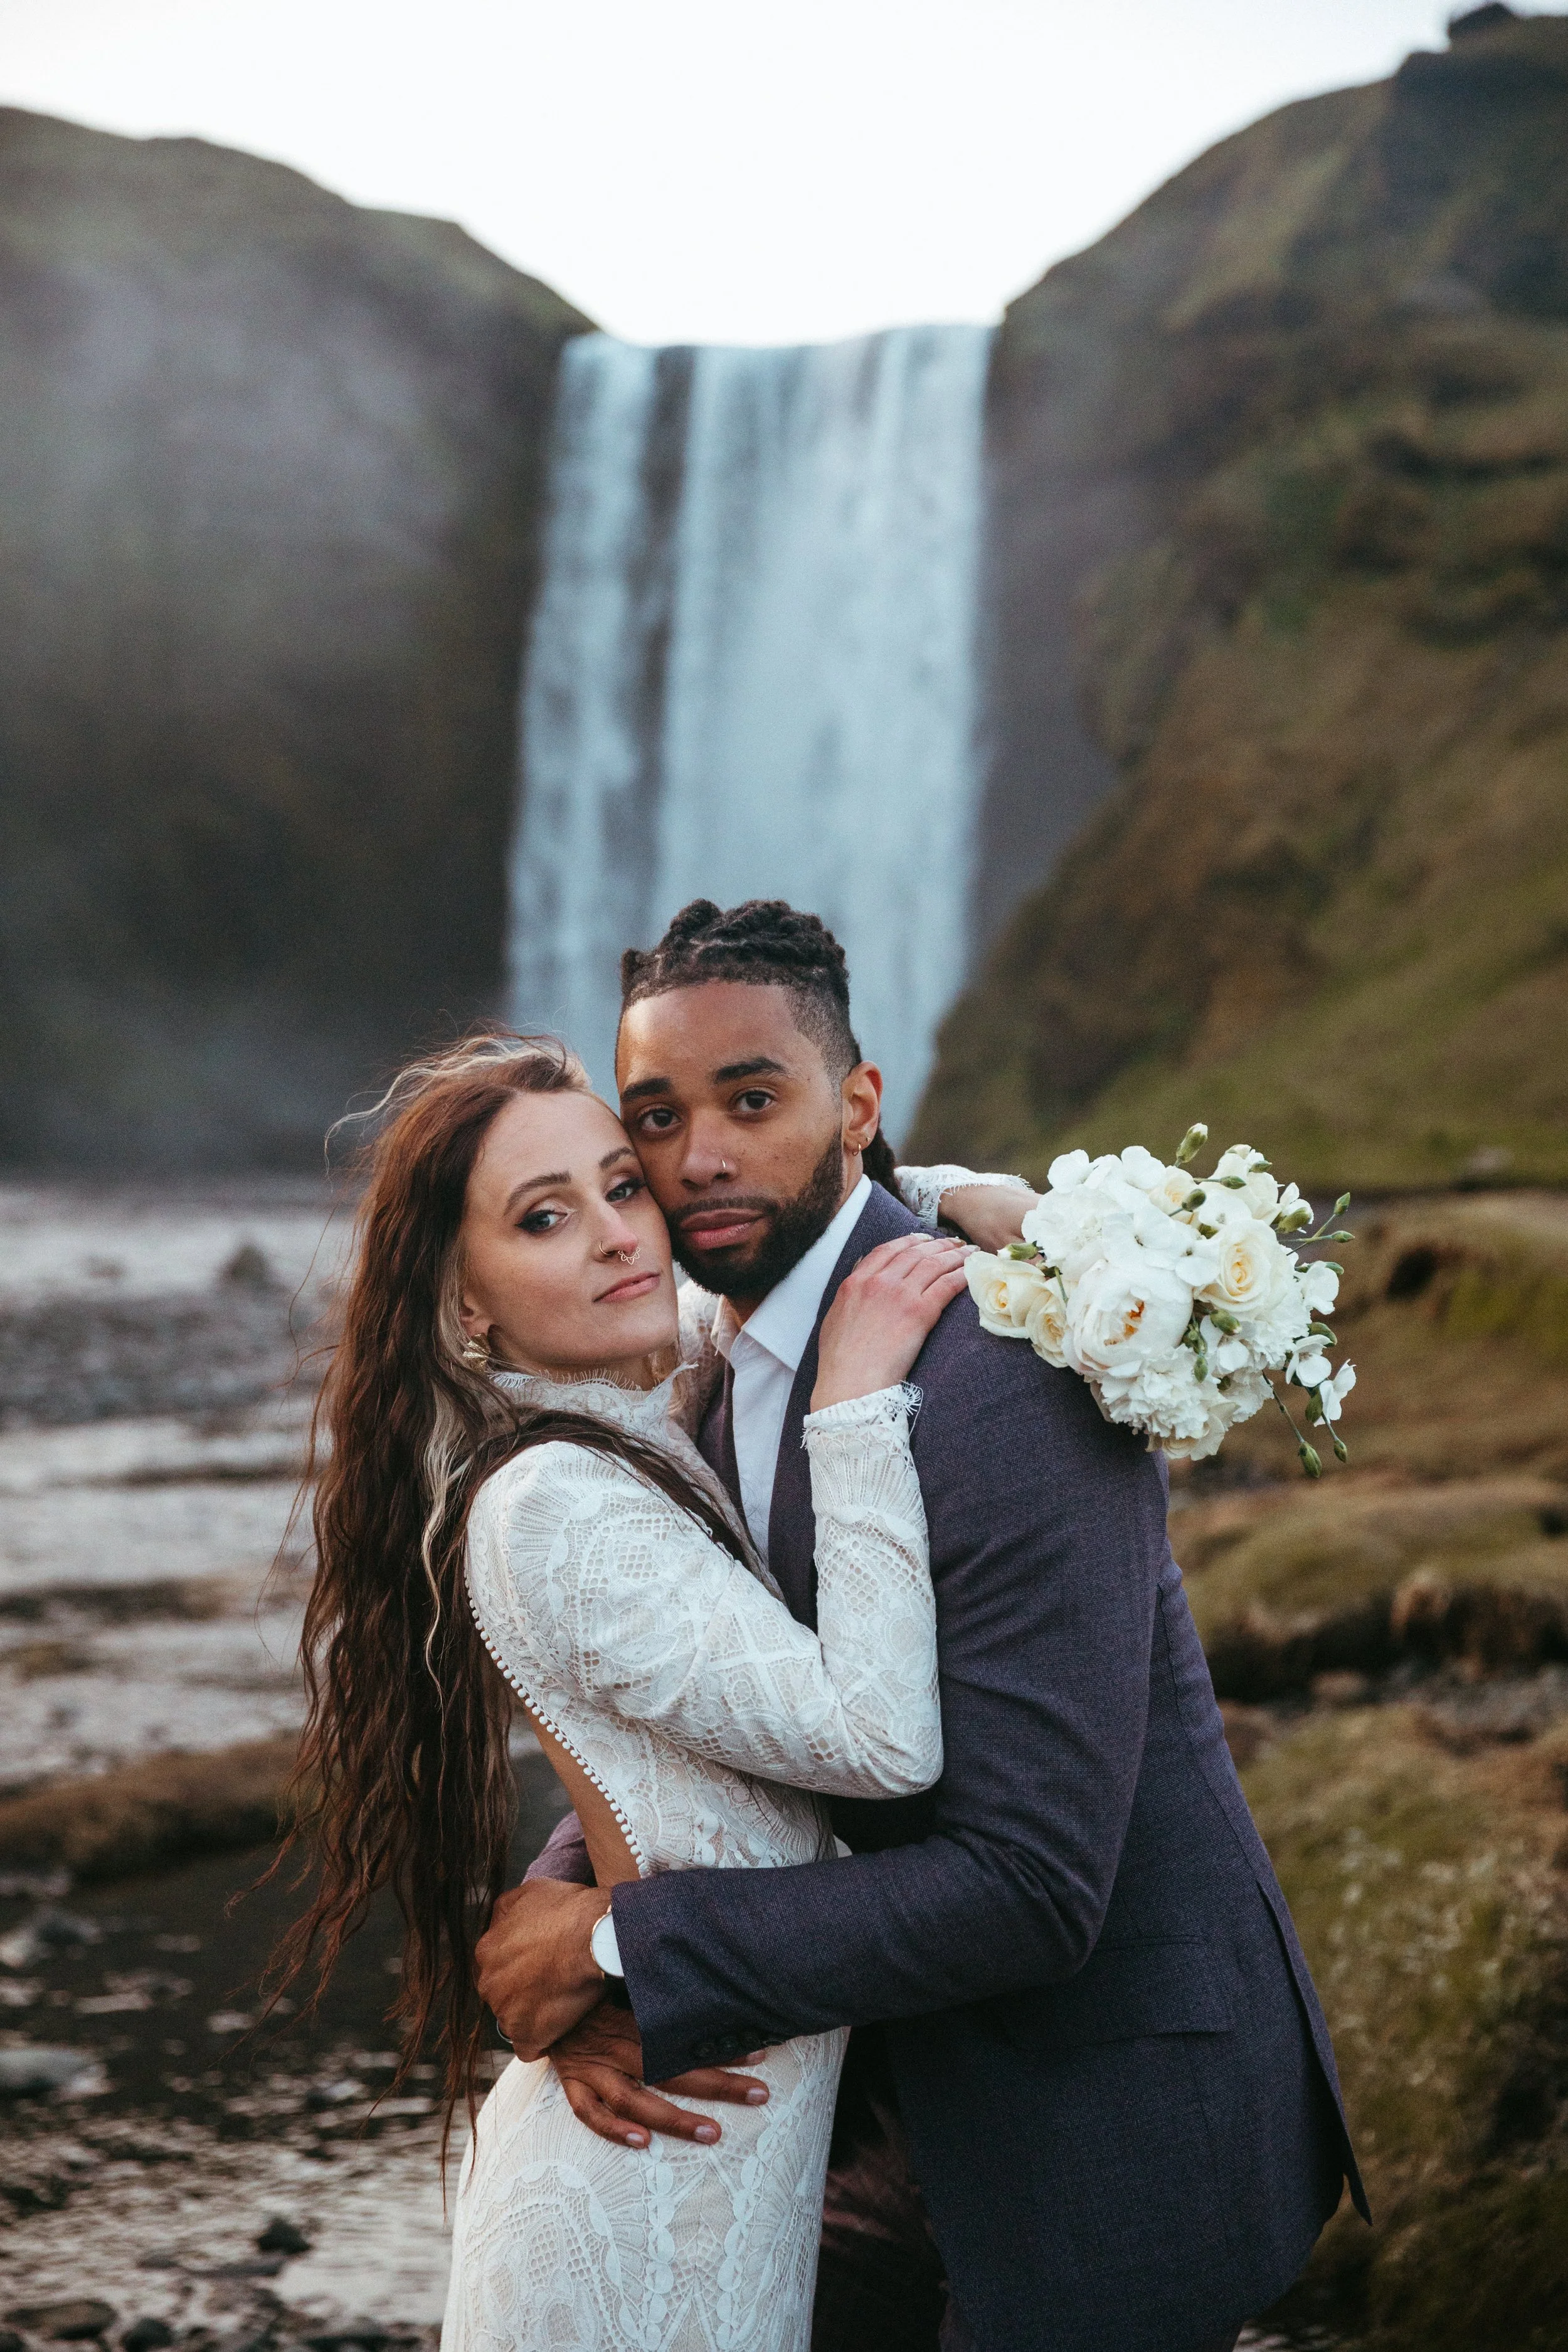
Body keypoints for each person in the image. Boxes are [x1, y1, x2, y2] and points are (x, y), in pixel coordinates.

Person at [473, 898, 1367, 2352]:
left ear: (855, 1104)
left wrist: (631, 1952)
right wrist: (560, 1904)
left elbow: (1029, 1885)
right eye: (655, 1115)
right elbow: (716, 1683)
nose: (698, 1155)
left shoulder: (1007, 1371)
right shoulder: (706, 1360)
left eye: (751, 1100)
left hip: (1095, 2114)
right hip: (879, 2086)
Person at [272, 1019, 1021, 2352]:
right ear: (466, 1300)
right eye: (544, 1217)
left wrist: (945, 1192)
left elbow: (800, 1248)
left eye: (624, 1186)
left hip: (713, 2137)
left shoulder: (634, 1390)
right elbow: (881, 1739)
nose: (619, 1236)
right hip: (645, 2194)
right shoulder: (556, 1503)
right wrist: (852, 1407)